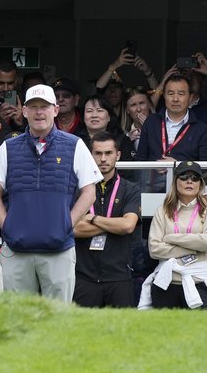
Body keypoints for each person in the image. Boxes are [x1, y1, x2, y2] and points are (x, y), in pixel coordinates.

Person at [0, 84, 101, 302]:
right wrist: (7, 225)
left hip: (59, 249)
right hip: (17, 250)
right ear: (25, 111)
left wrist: (66, 223)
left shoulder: (75, 145)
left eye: (45, 107)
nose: (39, 112)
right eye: (33, 107)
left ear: (55, 110)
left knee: (57, 320)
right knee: (19, 319)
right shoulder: (8, 148)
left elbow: (89, 192)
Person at [71, 131, 140, 307]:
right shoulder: (77, 189)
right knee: (82, 333)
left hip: (119, 277)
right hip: (83, 277)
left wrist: (92, 218)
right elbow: (74, 229)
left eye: (108, 153)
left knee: (121, 333)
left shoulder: (130, 189)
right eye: (98, 153)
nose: (103, 159)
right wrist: (113, 223)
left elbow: (127, 226)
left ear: (118, 155)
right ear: (90, 155)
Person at [141, 160, 207, 309]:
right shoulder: (163, 210)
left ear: (201, 183)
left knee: (202, 332)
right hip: (166, 284)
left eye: (195, 177)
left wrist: (171, 238)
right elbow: (154, 250)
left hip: (198, 282)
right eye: (184, 177)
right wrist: (195, 247)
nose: (189, 181)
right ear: (175, 181)